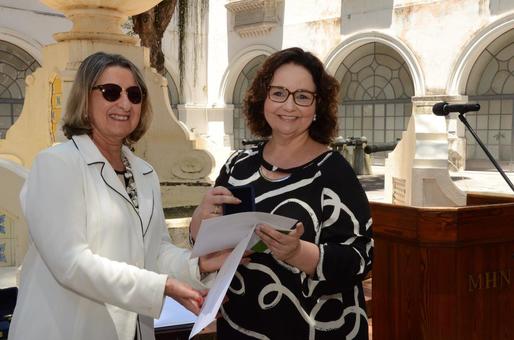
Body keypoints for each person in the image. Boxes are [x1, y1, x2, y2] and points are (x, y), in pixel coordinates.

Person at [9, 52, 221, 340]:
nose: (125, 104)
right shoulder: (56, 165)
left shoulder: (143, 172)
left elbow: (155, 250)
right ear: (85, 98)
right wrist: (163, 287)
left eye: (134, 95)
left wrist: (197, 265)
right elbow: (72, 264)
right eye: (111, 92)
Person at [189, 47, 373, 339]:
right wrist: (200, 217)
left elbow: (360, 258)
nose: (289, 106)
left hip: (316, 329)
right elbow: (204, 244)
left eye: (302, 96)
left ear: (317, 107)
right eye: (279, 93)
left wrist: (299, 252)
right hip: (241, 324)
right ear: (263, 98)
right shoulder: (239, 164)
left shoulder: (334, 172)